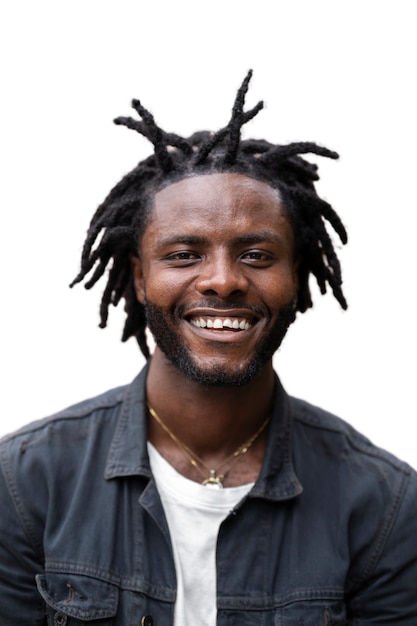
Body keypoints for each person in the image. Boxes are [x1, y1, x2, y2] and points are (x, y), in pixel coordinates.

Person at [0, 71, 416, 625]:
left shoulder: (384, 505)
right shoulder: (25, 483)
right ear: (140, 278)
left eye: (257, 255)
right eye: (183, 255)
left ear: (298, 276)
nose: (223, 280)